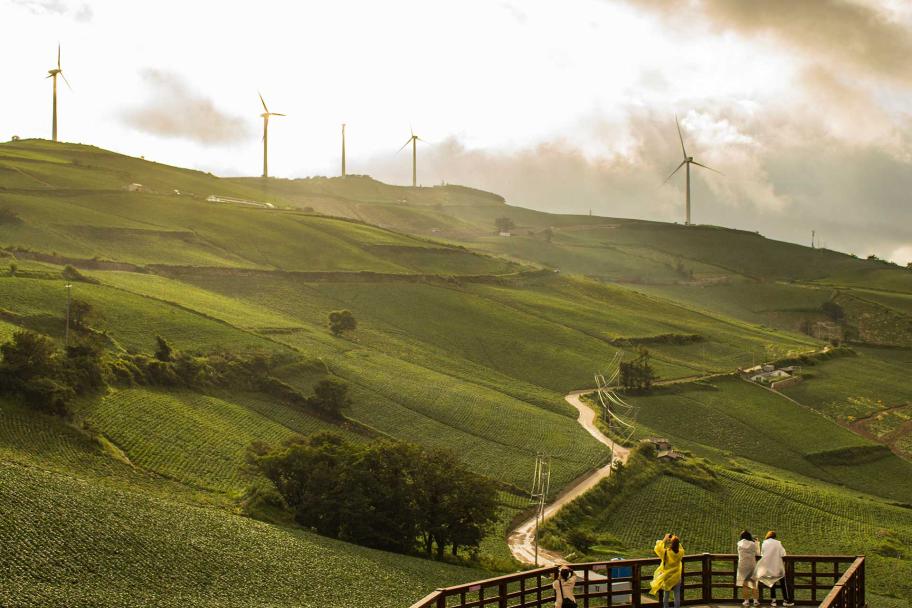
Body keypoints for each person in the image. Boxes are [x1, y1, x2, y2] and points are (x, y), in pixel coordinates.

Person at [755, 531, 794, 607]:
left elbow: (762, 554)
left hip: (769, 567)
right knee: (783, 583)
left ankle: (773, 601)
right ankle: (785, 600)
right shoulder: (778, 543)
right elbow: (783, 553)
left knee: (772, 583)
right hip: (778, 566)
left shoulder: (764, 543)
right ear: (774, 537)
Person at [650, 534, 685, 608]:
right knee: (677, 594)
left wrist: (665, 539)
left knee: (666, 595)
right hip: (677, 576)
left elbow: (657, 548)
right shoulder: (681, 552)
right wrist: (675, 540)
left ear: (670, 544)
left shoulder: (666, 553)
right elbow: (680, 546)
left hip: (667, 576)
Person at [737, 530, 761, 606]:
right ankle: (755, 601)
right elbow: (758, 553)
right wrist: (757, 543)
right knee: (754, 583)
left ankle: (746, 601)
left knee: (745, 584)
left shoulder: (739, 544)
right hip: (752, 565)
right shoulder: (753, 544)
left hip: (742, 565)